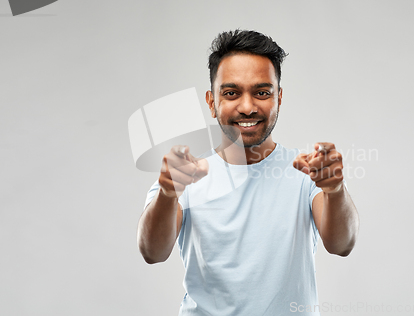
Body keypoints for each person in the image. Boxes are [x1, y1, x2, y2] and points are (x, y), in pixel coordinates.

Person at [137, 29, 359, 315]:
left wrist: (335, 190)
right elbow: (152, 252)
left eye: (262, 93)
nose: (247, 106)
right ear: (211, 101)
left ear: (278, 98)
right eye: (231, 93)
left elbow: (341, 244)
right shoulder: (184, 175)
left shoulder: (307, 171)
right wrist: (168, 194)